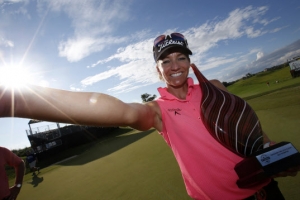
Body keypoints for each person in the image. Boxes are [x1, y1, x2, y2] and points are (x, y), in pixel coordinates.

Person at [0, 33, 299, 200]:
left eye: (181, 57)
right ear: (157, 70)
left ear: (190, 60)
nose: (175, 65)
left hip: (264, 192)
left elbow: (250, 133)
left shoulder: (216, 89)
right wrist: (13, 99)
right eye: (165, 61)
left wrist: (270, 152)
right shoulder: (156, 110)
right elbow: (118, 109)